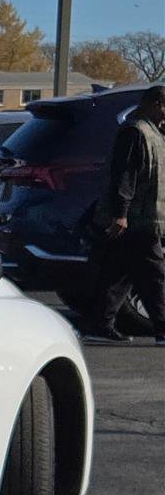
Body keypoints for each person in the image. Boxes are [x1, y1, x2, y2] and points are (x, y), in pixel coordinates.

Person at [85, 84, 165, 346]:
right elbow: (125, 174)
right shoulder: (134, 133)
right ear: (156, 104)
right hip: (138, 219)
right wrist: (121, 214)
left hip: (142, 216)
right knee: (155, 275)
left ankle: (99, 325)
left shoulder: (154, 133)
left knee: (118, 273)